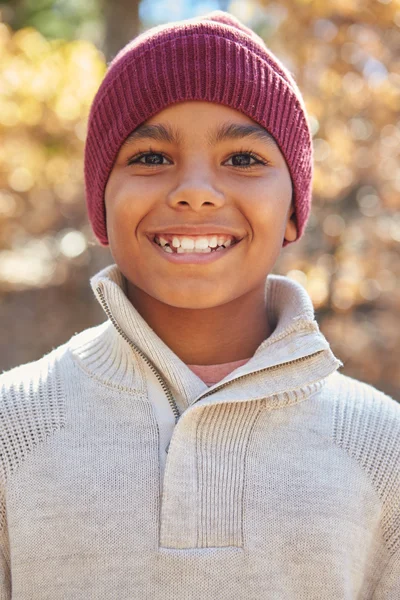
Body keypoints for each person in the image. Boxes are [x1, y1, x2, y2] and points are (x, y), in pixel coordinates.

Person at [0, 10, 398, 599]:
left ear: (293, 209)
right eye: (150, 157)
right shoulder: (13, 427)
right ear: (99, 204)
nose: (193, 190)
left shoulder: (381, 449)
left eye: (243, 160)